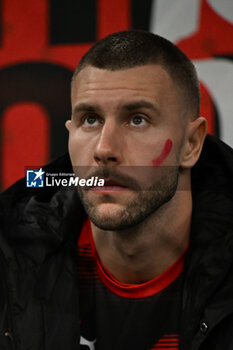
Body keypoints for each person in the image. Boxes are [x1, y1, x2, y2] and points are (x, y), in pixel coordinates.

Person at [0, 30, 233, 350]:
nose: (104, 148)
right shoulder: (8, 254)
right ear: (70, 134)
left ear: (191, 145)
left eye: (137, 120)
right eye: (90, 119)